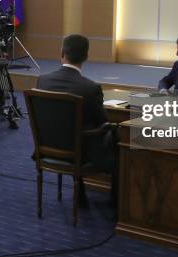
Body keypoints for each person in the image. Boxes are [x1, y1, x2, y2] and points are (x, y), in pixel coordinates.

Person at [36, 34, 118, 206]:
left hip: (47, 147)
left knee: (73, 129)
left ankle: (79, 190)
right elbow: (102, 122)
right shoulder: (90, 88)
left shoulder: (42, 81)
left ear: (61, 53)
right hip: (80, 151)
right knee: (119, 140)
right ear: (86, 57)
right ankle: (116, 201)